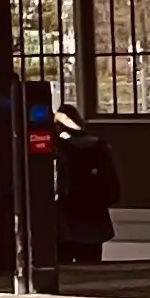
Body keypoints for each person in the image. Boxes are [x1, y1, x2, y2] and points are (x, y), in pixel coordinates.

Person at [49, 97, 118, 265]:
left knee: (64, 264)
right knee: (91, 263)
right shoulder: (96, 145)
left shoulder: (59, 146)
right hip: (94, 213)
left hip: (66, 214)